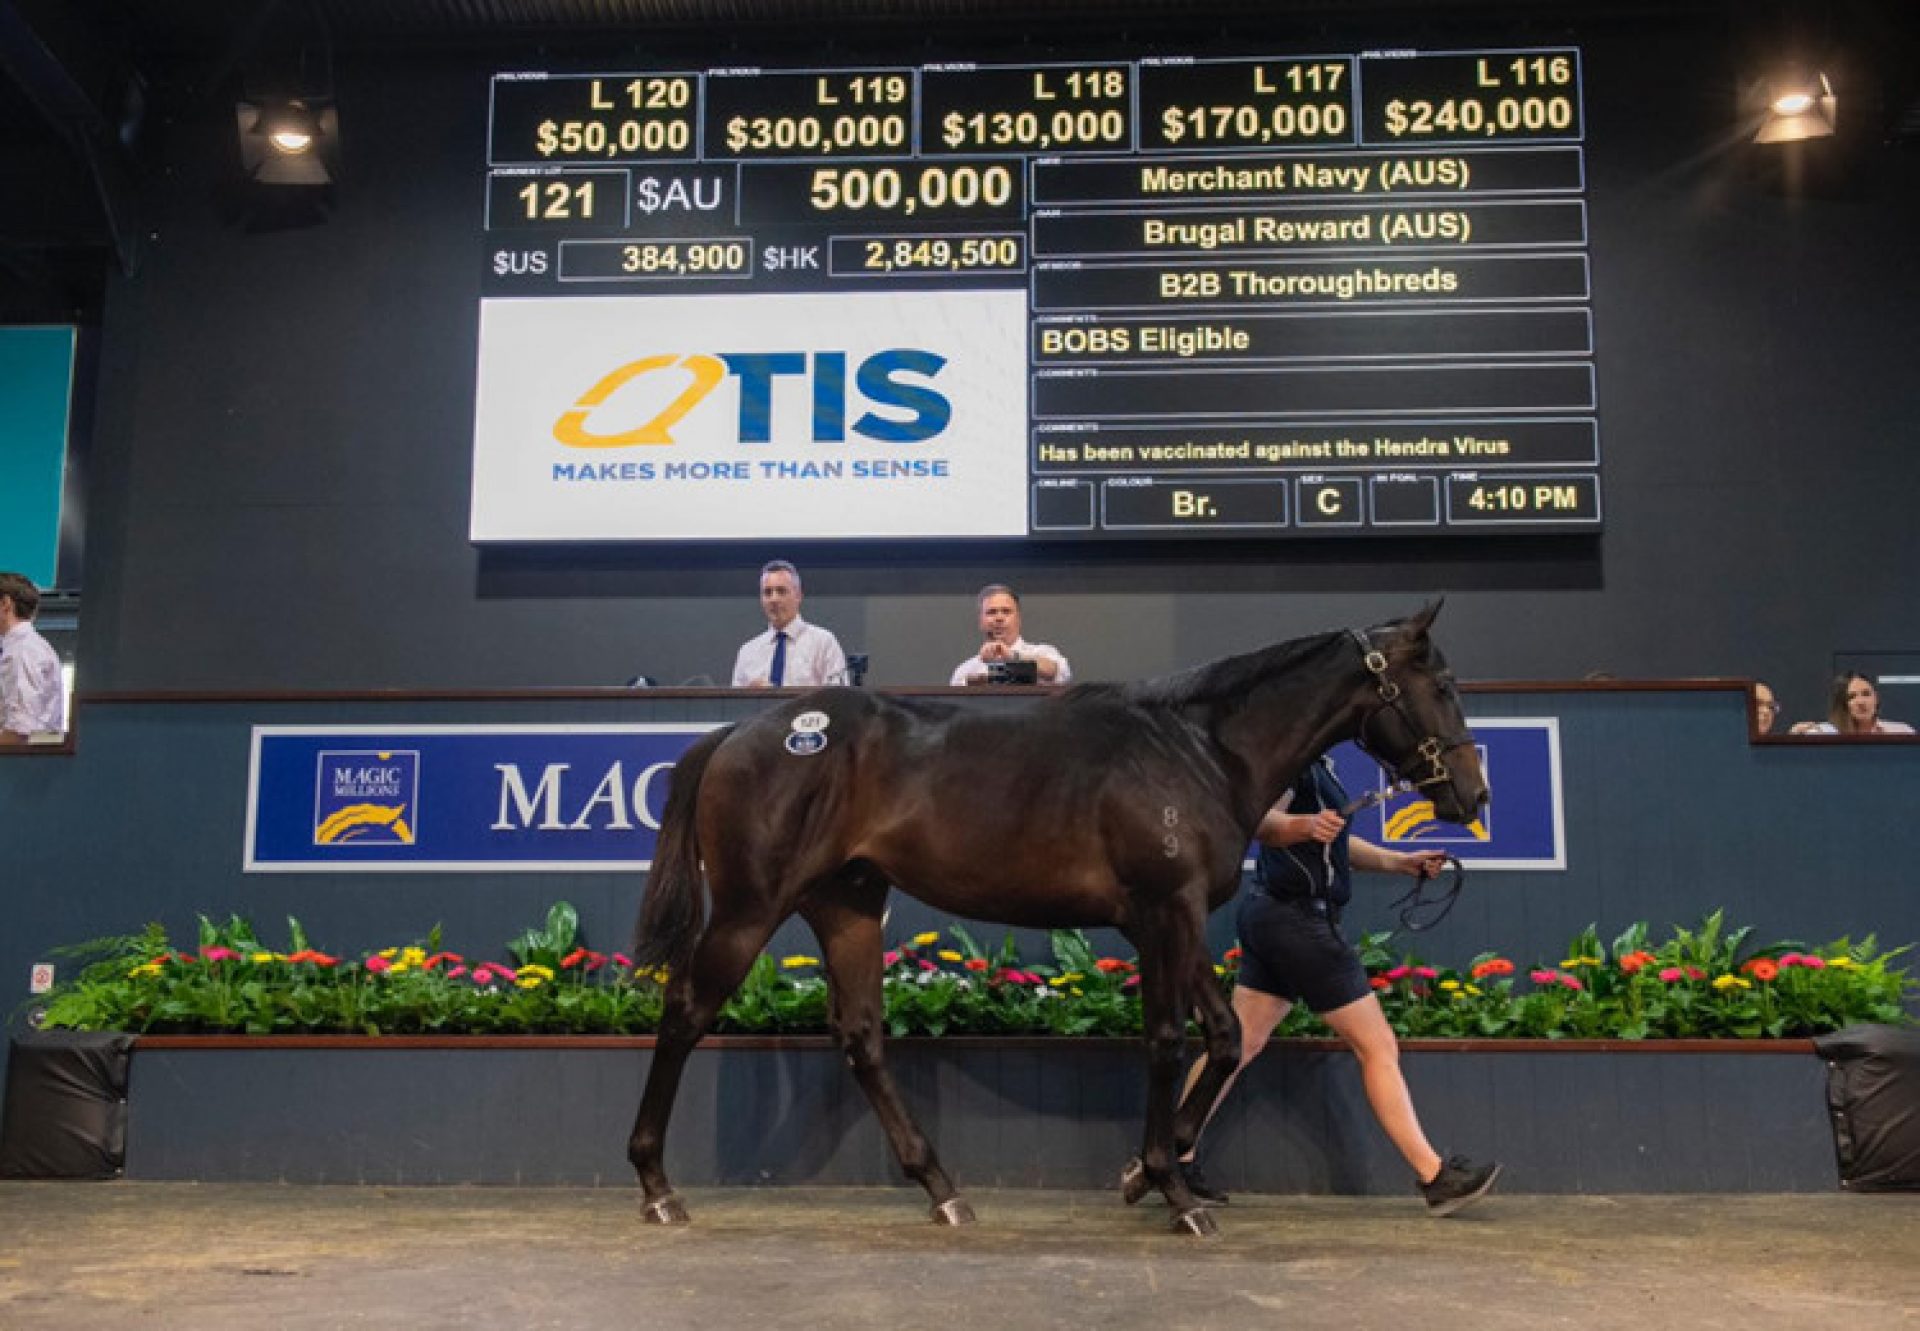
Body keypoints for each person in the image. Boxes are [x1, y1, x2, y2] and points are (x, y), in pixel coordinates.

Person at [1135, 755, 1500, 1216]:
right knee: (1377, 1046)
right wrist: (1302, 827)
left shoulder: (1320, 766)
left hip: (1273, 916)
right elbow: (1260, 820)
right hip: (1299, 923)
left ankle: (1171, 1155)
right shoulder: (1294, 766)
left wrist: (1398, 861)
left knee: (1240, 1044)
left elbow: (1335, 844)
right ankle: (1434, 1176)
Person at [730, 560, 848, 689]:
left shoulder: (823, 643)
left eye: (781, 591)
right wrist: (751, 696)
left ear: (798, 596)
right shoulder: (748, 652)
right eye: (767, 592)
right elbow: (734, 707)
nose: (774, 599)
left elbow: (838, 700)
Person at [949, 584, 1071, 686]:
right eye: (991, 612)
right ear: (980, 622)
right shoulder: (965, 670)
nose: (999, 618)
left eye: (1006, 611)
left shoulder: (1043, 652)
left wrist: (1013, 656)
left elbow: (1057, 672)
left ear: (1018, 619)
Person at [0, 571, 66, 745]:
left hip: (17, 766)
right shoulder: (28, 646)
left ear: (5, 604)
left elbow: (19, 729)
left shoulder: (22, 650)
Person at [1791, 671, 1914, 735]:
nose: (1861, 702)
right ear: (1842, 703)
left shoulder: (1902, 732)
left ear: (1876, 698)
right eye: (1851, 697)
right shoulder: (1822, 733)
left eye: (1866, 694)